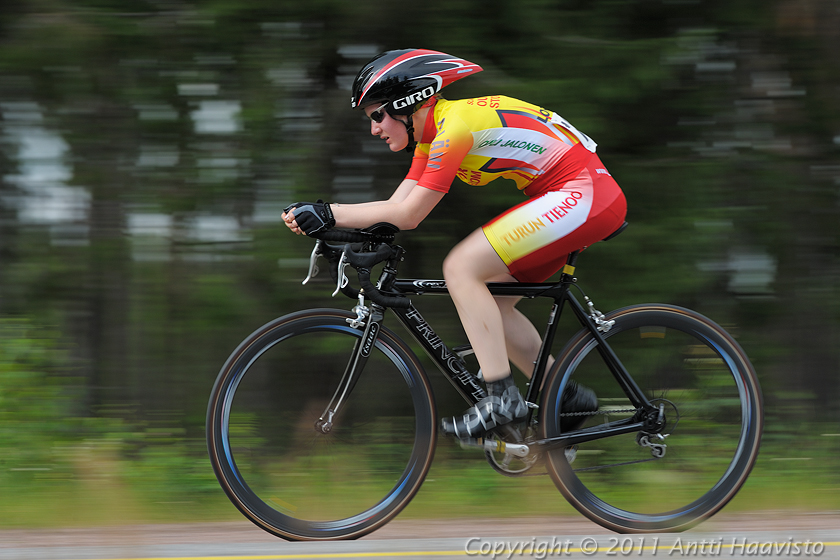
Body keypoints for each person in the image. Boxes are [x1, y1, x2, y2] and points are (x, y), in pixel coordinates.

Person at [283, 48, 626, 439]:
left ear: (407, 103)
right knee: (493, 304)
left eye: (377, 115)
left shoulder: (453, 130)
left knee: (461, 268)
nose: (374, 128)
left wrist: (329, 212)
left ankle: (502, 399)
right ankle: (563, 397)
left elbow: (410, 215)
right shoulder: (433, 137)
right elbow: (395, 207)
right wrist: (331, 224)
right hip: (577, 194)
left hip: (585, 194)